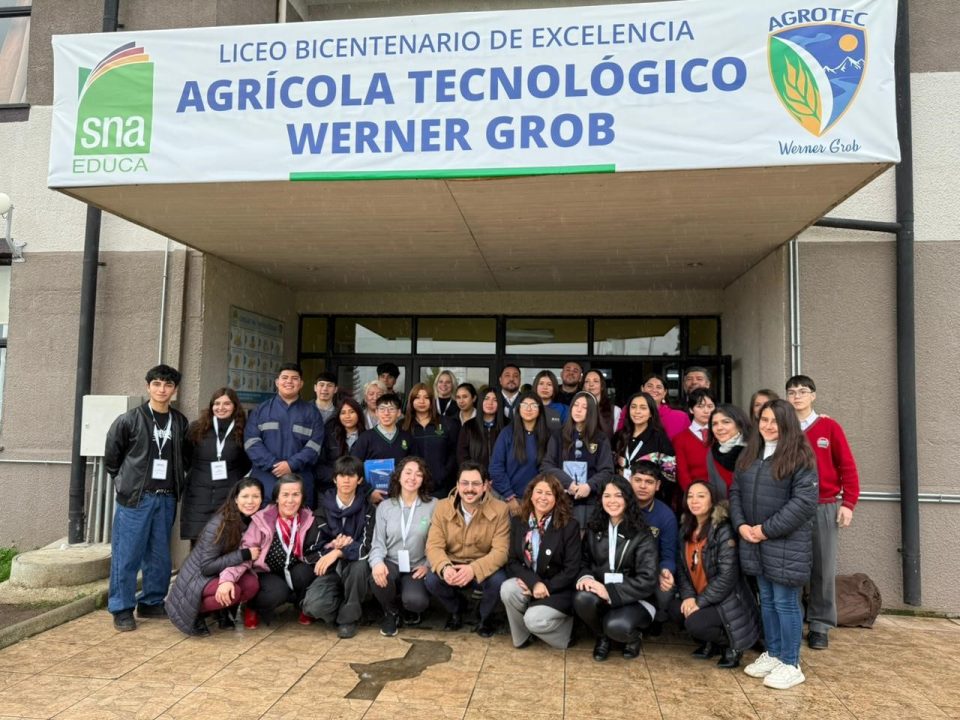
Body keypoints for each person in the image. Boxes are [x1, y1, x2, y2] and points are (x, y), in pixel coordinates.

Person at [731, 399, 818, 690]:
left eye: (775, 421)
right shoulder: (750, 453)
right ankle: (774, 653)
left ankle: (791, 663)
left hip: (784, 543)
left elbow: (803, 503)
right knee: (766, 600)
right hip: (754, 540)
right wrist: (741, 525)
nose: (768, 426)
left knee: (785, 602)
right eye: (764, 420)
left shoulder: (800, 456)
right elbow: (735, 492)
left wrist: (765, 530)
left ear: (787, 424)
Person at [106, 364, 192, 632]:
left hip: (166, 498)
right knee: (127, 555)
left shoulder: (179, 422)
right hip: (136, 499)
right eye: (156, 384)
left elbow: (185, 457)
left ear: (175, 390)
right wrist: (124, 484)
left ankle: (152, 601)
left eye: (168, 385)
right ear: (148, 387)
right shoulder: (130, 419)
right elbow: (112, 458)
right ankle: (122, 607)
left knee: (159, 555)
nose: (162, 389)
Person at [786, 375, 860, 651]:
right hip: (790, 505)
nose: (797, 396)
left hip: (824, 504)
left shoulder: (829, 427)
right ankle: (793, 621)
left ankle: (820, 625)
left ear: (813, 395)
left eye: (802, 391)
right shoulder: (784, 428)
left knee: (822, 567)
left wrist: (848, 503)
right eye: (792, 392)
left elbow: (847, 466)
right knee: (791, 567)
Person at [669, 481, 760, 669]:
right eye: (690, 496)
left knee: (695, 623)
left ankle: (731, 645)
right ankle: (710, 643)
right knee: (674, 609)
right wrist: (688, 597)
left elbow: (727, 577)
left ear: (712, 500)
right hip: (701, 595)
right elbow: (682, 569)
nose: (694, 500)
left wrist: (699, 602)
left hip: (726, 599)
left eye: (701, 496)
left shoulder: (722, 529)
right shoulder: (686, 527)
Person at [165, 478, 264, 636]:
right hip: (198, 577)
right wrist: (244, 554)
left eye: (256, 496)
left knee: (251, 584)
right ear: (235, 499)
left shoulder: (254, 520)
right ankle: (194, 612)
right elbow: (207, 567)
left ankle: (221, 610)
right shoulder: (220, 523)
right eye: (245, 496)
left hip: (222, 572)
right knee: (234, 591)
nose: (250, 501)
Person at [574, 476, 658, 661]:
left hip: (636, 597)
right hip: (603, 592)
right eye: (607, 495)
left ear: (628, 498)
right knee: (582, 598)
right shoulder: (594, 528)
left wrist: (610, 591)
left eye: (618, 495)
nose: (612, 501)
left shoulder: (642, 533)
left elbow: (648, 579)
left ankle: (633, 638)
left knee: (616, 626)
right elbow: (583, 561)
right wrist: (586, 578)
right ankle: (602, 637)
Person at [425, 461, 510, 637]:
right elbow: (433, 545)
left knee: (499, 581)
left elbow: (501, 551)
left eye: (475, 484)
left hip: (483, 565)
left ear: (485, 486)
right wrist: (445, 567)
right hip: (453, 563)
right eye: (465, 483)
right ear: (457, 485)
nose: (469, 489)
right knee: (432, 579)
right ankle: (456, 609)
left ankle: (485, 617)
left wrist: (473, 569)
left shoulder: (501, 509)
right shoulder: (442, 506)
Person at [220, 473, 316, 629]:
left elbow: (320, 545)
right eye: (285, 495)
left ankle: (304, 605)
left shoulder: (309, 518)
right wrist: (227, 579)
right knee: (277, 592)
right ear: (277, 497)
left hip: (293, 568)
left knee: (306, 573)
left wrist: (336, 545)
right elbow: (246, 552)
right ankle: (252, 606)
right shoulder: (262, 519)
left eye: (295, 495)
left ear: (302, 497)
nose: (290, 500)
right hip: (266, 572)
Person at [500, 473, 581, 649]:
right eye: (539, 492)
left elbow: (572, 569)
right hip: (532, 583)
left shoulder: (569, 525)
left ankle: (567, 635)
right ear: (531, 495)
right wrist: (534, 583)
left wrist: (545, 586)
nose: (543, 497)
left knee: (534, 620)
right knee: (508, 589)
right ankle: (523, 637)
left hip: (558, 589)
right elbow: (513, 561)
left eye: (549, 493)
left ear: (557, 499)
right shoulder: (518, 521)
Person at [301, 455, 375, 638]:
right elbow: (311, 551)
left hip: (357, 570)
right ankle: (352, 609)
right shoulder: (321, 511)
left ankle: (348, 620)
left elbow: (366, 547)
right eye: (341, 475)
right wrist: (332, 547)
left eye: (351, 475)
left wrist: (338, 552)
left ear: (360, 480)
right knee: (313, 606)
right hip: (332, 571)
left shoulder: (369, 510)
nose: (346, 480)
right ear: (334, 479)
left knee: (359, 566)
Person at [369, 456, 438, 636]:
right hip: (391, 562)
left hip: (417, 565)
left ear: (423, 480)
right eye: (408, 473)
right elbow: (378, 542)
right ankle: (391, 611)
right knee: (378, 577)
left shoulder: (433, 505)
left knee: (416, 601)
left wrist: (428, 565)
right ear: (398, 476)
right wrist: (377, 563)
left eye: (418, 474)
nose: (412, 478)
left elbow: (439, 542)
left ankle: (408, 607)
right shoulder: (385, 506)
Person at [244, 363, 325, 507]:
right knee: (264, 520)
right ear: (277, 382)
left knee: (300, 519)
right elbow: (251, 443)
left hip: (299, 481)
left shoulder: (312, 413)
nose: (289, 381)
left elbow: (315, 446)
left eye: (294, 378)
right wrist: (274, 465)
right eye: (285, 377)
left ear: (301, 384)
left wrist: (291, 465)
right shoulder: (260, 411)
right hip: (265, 481)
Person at [180, 387, 251, 544]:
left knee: (226, 543)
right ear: (211, 406)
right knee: (198, 546)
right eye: (217, 403)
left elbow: (247, 462)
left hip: (228, 494)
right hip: (199, 495)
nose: (221, 408)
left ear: (235, 406)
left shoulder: (244, 431)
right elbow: (186, 457)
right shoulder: (196, 428)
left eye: (227, 404)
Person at [542, 391, 615, 528]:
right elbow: (546, 466)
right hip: (560, 500)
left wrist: (589, 486)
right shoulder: (558, 435)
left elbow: (607, 471)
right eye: (576, 405)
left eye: (584, 407)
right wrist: (568, 483)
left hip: (589, 503)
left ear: (592, 412)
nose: (578, 410)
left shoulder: (600, 438)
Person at [627, 461, 679, 631]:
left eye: (649, 482)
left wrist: (665, 570)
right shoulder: (618, 506)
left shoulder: (666, 516)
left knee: (666, 587)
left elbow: (668, 554)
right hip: (622, 568)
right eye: (638, 480)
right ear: (630, 480)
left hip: (651, 571)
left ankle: (657, 617)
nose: (642, 486)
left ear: (657, 486)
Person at [489, 391, 551, 513]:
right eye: (524, 405)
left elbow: (549, 469)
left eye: (533, 405)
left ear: (540, 410)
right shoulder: (507, 433)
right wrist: (509, 496)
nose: (529, 409)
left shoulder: (547, 436)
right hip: (505, 498)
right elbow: (496, 467)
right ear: (518, 409)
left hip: (536, 501)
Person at [614, 391, 677, 503]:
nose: (637, 411)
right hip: (620, 499)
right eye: (633, 407)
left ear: (651, 413)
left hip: (649, 501)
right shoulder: (619, 436)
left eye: (643, 408)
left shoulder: (660, 440)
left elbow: (669, 477)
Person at [403, 383, 459, 498]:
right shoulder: (403, 426)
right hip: (412, 487)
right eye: (417, 397)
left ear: (432, 401)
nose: (422, 401)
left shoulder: (448, 423)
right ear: (411, 401)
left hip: (442, 488)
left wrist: (444, 473)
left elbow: (454, 453)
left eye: (426, 397)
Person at [350, 393, 414, 489]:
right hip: (372, 493)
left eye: (391, 409)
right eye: (382, 409)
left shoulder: (407, 438)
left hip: (401, 492)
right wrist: (369, 491)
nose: (386, 413)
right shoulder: (365, 437)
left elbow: (414, 466)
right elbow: (353, 467)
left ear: (398, 413)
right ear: (376, 412)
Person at [316, 397, 366, 493]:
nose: (347, 416)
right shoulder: (329, 436)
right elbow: (319, 467)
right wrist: (339, 477)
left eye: (352, 412)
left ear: (358, 414)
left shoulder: (367, 437)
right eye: (343, 413)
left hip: (359, 490)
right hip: (330, 489)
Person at [674, 388, 717, 496]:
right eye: (700, 406)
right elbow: (682, 473)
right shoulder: (680, 439)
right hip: (694, 495)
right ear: (691, 409)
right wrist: (694, 496)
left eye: (710, 406)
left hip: (722, 494)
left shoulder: (722, 434)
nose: (706, 411)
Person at [705, 404, 751, 498]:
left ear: (739, 424)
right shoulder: (712, 453)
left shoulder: (753, 450)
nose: (719, 428)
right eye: (714, 424)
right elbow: (713, 487)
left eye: (726, 422)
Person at [457, 386, 507, 469]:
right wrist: (474, 473)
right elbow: (462, 455)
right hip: (475, 475)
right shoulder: (468, 426)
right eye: (486, 399)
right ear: (480, 401)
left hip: (502, 475)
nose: (490, 403)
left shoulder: (508, 426)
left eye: (495, 400)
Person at [641, 373, 689, 440]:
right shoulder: (630, 411)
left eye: (659, 387)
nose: (654, 390)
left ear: (665, 392)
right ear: (642, 389)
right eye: (649, 386)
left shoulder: (681, 417)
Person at [583, 369, 620, 441]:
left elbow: (618, 439)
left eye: (596, 381)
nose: (591, 384)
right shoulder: (578, 409)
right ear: (583, 387)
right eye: (587, 381)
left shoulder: (615, 410)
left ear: (602, 386)